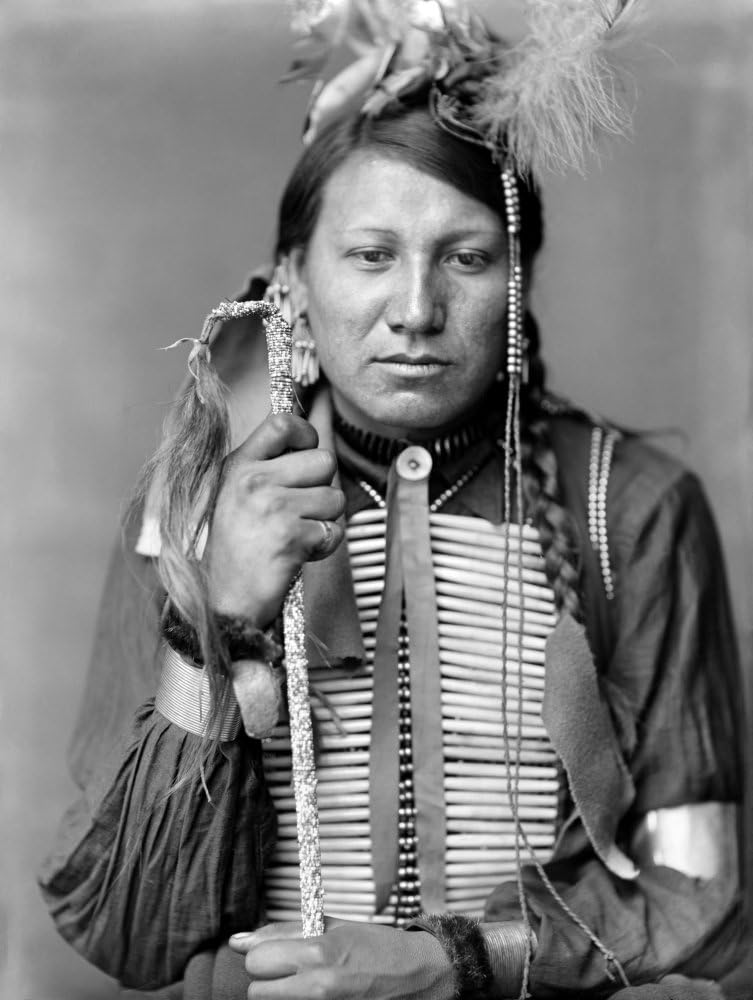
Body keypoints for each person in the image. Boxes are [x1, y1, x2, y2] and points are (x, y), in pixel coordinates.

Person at [39, 4, 749, 998]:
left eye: (466, 257)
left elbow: (707, 897)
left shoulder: (629, 506)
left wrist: (460, 960)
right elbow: (130, 936)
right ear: (293, 283)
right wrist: (218, 622)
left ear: (518, 283)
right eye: (371, 255)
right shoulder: (187, 512)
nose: (416, 311)